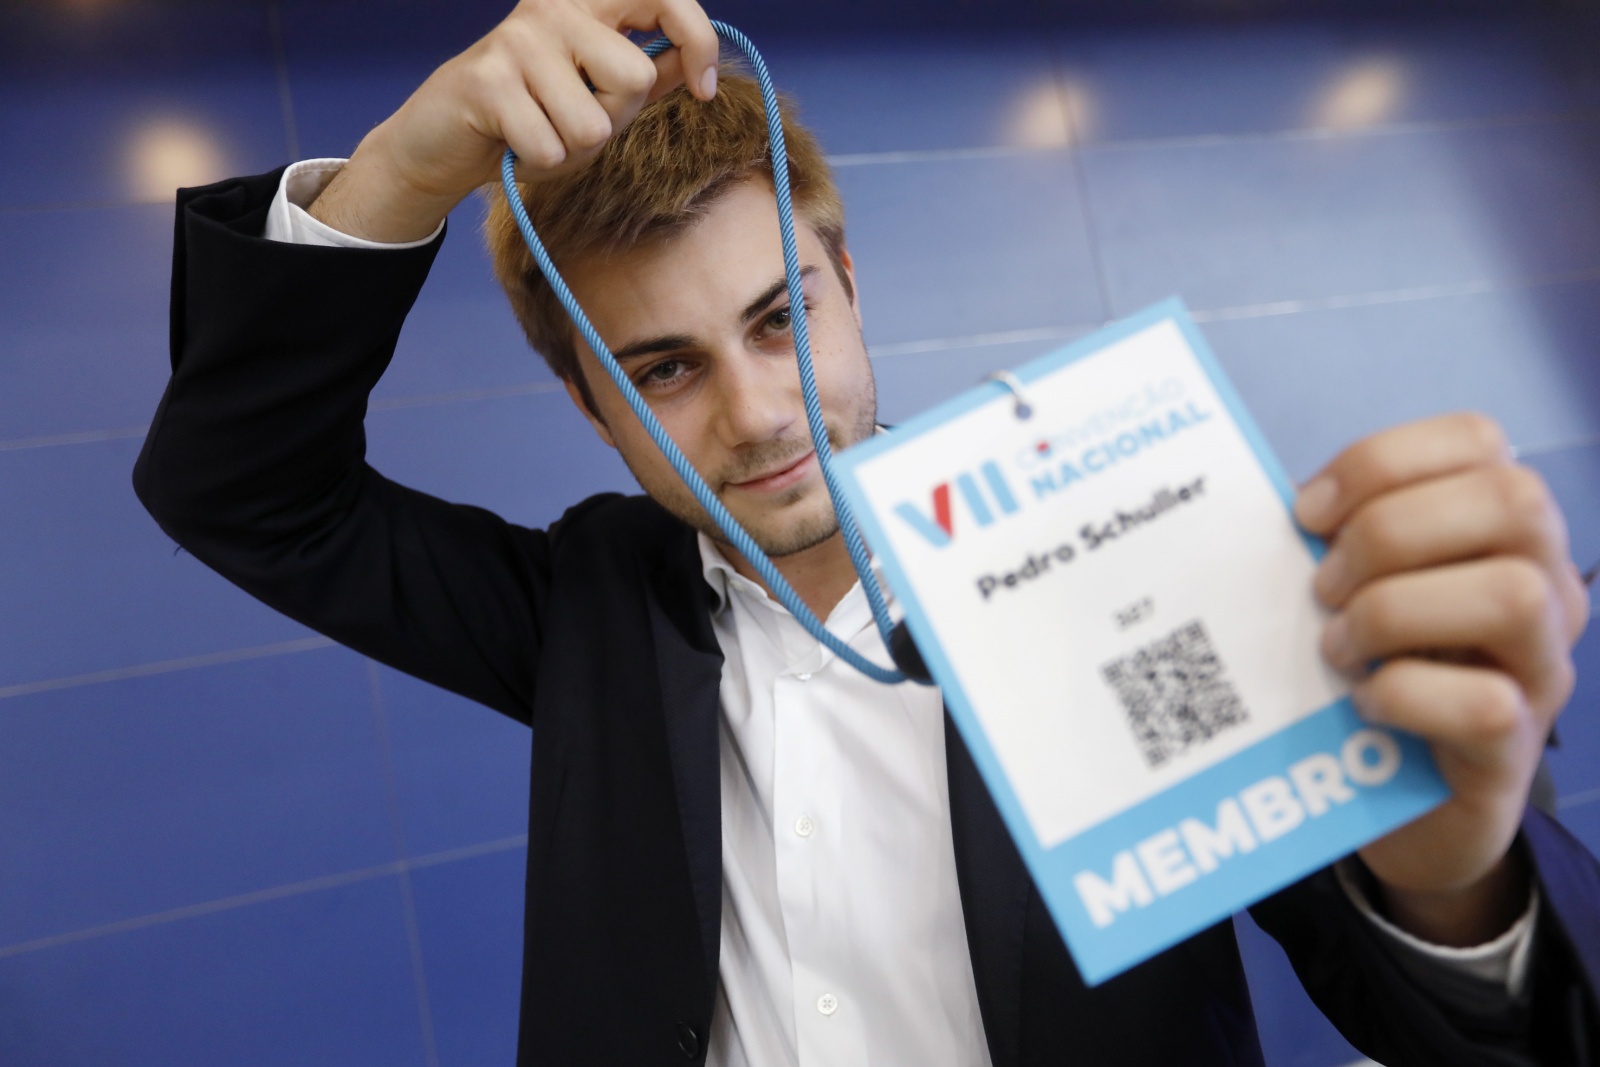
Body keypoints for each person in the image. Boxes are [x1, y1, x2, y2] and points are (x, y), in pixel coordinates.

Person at [135, 0, 1600, 1063]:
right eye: (666, 370)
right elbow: (242, 488)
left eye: (784, 318)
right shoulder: (585, 606)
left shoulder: (1121, 566)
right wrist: (403, 171)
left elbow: (1479, 1025)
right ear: (590, 407)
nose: (759, 413)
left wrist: (1453, 885)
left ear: (849, 281)